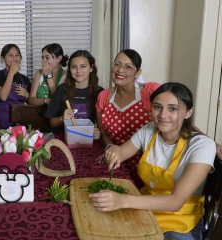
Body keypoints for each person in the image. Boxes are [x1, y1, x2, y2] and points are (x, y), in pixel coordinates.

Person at [91, 82, 216, 240]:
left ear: (188, 112)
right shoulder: (149, 130)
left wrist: (122, 200)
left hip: (180, 221)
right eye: (157, 107)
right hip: (144, 207)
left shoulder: (202, 146)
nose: (163, 115)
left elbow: (175, 202)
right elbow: (123, 151)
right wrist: (115, 150)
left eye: (173, 109)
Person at [95, 49, 160, 186]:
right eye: (117, 64)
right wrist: (112, 151)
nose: (120, 70)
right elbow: (104, 133)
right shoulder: (104, 97)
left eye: (128, 67)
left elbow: (177, 117)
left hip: (149, 165)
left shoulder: (150, 92)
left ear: (138, 73)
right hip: (119, 163)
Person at [45, 50, 103, 139]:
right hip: (64, 139)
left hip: (88, 140)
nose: (78, 71)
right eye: (73, 67)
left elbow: (105, 126)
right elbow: (52, 123)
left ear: (91, 68)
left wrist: (98, 132)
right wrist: (61, 118)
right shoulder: (61, 90)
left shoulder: (100, 93)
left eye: (83, 66)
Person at [0, 44, 31, 129]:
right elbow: (3, 96)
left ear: (21, 58)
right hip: (3, 123)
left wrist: (27, 95)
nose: (14, 58)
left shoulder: (25, 79)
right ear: (2, 58)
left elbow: (31, 102)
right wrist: (11, 72)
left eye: (17, 55)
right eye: (10, 55)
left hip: (22, 124)